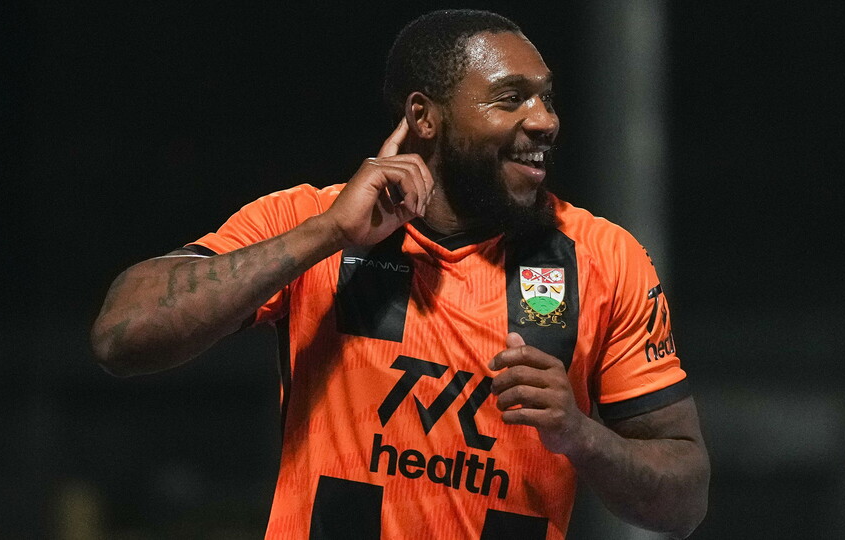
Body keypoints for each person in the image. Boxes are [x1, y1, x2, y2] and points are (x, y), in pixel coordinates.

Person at [91, 9, 709, 539]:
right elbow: (121, 335)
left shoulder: (603, 258)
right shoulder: (314, 222)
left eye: (545, 95)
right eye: (510, 97)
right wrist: (328, 235)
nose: (544, 119)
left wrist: (580, 435)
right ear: (425, 115)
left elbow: (684, 500)